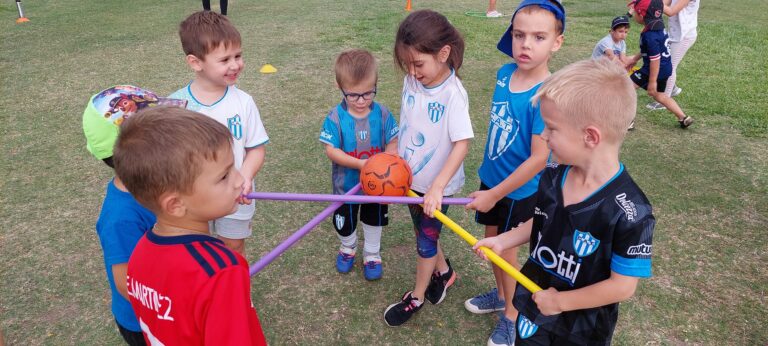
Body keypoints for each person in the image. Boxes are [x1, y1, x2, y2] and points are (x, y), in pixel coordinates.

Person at [473, 58, 656, 345]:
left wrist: (561, 302)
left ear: (590, 136)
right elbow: (543, 221)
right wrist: (503, 241)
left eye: (552, 129)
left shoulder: (631, 211)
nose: (543, 136)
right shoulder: (552, 177)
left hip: (580, 329)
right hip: (533, 307)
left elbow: (622, 287)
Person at [115, 106, 267, 345]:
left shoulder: (139, 254)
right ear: (175, 205)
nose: (240, 180)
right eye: (224, 176)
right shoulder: (222, 271)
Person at [463, 1, 564, 345]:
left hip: (519, 192)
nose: (525, 44)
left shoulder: (546, 94)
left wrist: (495, 194)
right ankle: (503, 295)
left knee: (506, 252)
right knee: (492, 247)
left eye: (538, 37)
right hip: (492, 181)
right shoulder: (504, 74)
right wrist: (490, 188)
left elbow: (539, 158)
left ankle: (512, 314)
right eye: (519, 35)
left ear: (557, 43)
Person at [383, 9, 474, 327]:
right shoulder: (412, 80)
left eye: (418, 63)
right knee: (422, 233)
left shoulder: (453, 95)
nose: (411, 71)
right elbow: (407, 118)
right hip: (408, 181)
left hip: (438, 187)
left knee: (425, 241)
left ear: (443, 53)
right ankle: (445, 273)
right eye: (407, 64)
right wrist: (394, 149)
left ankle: (418, 296)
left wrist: (437, 187)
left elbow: (462, 144)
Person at [82, 85, 186, 346]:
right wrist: (182, 298)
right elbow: (127, 285)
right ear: (137, 157)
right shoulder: (121, 217)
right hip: (146, 322)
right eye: (164, 136)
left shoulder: (163, 184)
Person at [170, 11, 269, 255]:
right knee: (196, 249)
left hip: (236, 193)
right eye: (225, 60)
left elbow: (256, 148)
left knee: (233, 247)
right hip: (194, 197)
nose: (235, 65)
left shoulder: (244, 102)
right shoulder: (175, 106)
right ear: (196, 62)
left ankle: (235, 292)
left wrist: (245, 176)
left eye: (238, 55)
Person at [319, 49, 399, 280]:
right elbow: (331, 150)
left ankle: (372, 253)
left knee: (374, 218)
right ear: (340, 87)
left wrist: (385, 160)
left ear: (375, 84)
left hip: (378, 187)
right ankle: (348, 247)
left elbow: (393, 141)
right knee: (345, 222)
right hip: (347, 186)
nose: (362, 100)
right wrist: (362, 164)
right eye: (353, 95)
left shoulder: (383, 114)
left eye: (368, 93)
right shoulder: (335, 118)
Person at [626, 0, 694, 128]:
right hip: (665, 69)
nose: (634, 14)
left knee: (626, 88)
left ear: (641, 15)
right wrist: (635, 58)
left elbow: (655, 60)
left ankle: (628, 121)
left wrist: (652, 82)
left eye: (635, 12)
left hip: (653, 70)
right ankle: (683, 117)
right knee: (659, 95)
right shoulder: (659, 27)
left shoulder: (649, 35)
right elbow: (651, 50)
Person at [646, 0, 699, 110]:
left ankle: (664, 99)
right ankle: (673, 88)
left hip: (684, 36)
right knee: (664, 61)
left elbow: (671, 11)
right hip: (674, 34)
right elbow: (663, 3)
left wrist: (651, 2)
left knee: (670, 66)